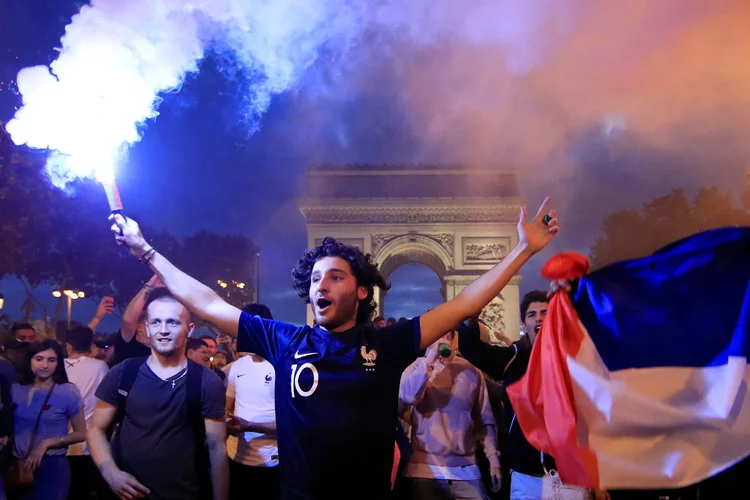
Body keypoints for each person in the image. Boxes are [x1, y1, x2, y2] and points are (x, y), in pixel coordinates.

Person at [109, 197, 559, 499]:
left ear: (363, 291)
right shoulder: (283, 340)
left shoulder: (390, 342)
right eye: (315, 278)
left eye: (335, 276)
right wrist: (146, 251)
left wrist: (522, 248)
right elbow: (208, 302)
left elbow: (465, 301)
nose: (320, 284)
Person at [87, 289, 228, 500]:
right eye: (156, 322)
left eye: (172, 322)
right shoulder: (124, 372)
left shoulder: (207, 382)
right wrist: (110, 473)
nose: (163, 330)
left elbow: (217, 448)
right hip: (127, 493)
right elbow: (96, 429)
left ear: (189, 329)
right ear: (147, 328)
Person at [399, 331, 502, 499]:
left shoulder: (471, 370)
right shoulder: (416, 368)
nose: (444, 339)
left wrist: (493, 459)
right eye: (438, 334)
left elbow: (485, 418)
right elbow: (408, 397)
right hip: (426, 469)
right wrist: (430, 358)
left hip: (466, 468)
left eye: (449, 335)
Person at [10, 340, 87, 500]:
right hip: (19, 466)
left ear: (58, 363)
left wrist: (46, 443)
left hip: (52, 466)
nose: (45, 365)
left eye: (51, 360)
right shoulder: (16, 389)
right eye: (39, 359)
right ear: (29, 360)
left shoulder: (67, 391)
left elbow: (81, 433)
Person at [226, 303, 279, 500]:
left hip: (272, 463)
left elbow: (291, 424)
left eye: (256, 325)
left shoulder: (281, 365)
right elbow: (227, 408)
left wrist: (251, 426)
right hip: (235, 458)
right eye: (245, 326)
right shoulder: (237, 366)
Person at [62, 327, 110, 500]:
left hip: (58, 445)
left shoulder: (57, 366)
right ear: (90, 345)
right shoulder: (100, 367)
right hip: (88, 444)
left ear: (68, 345)